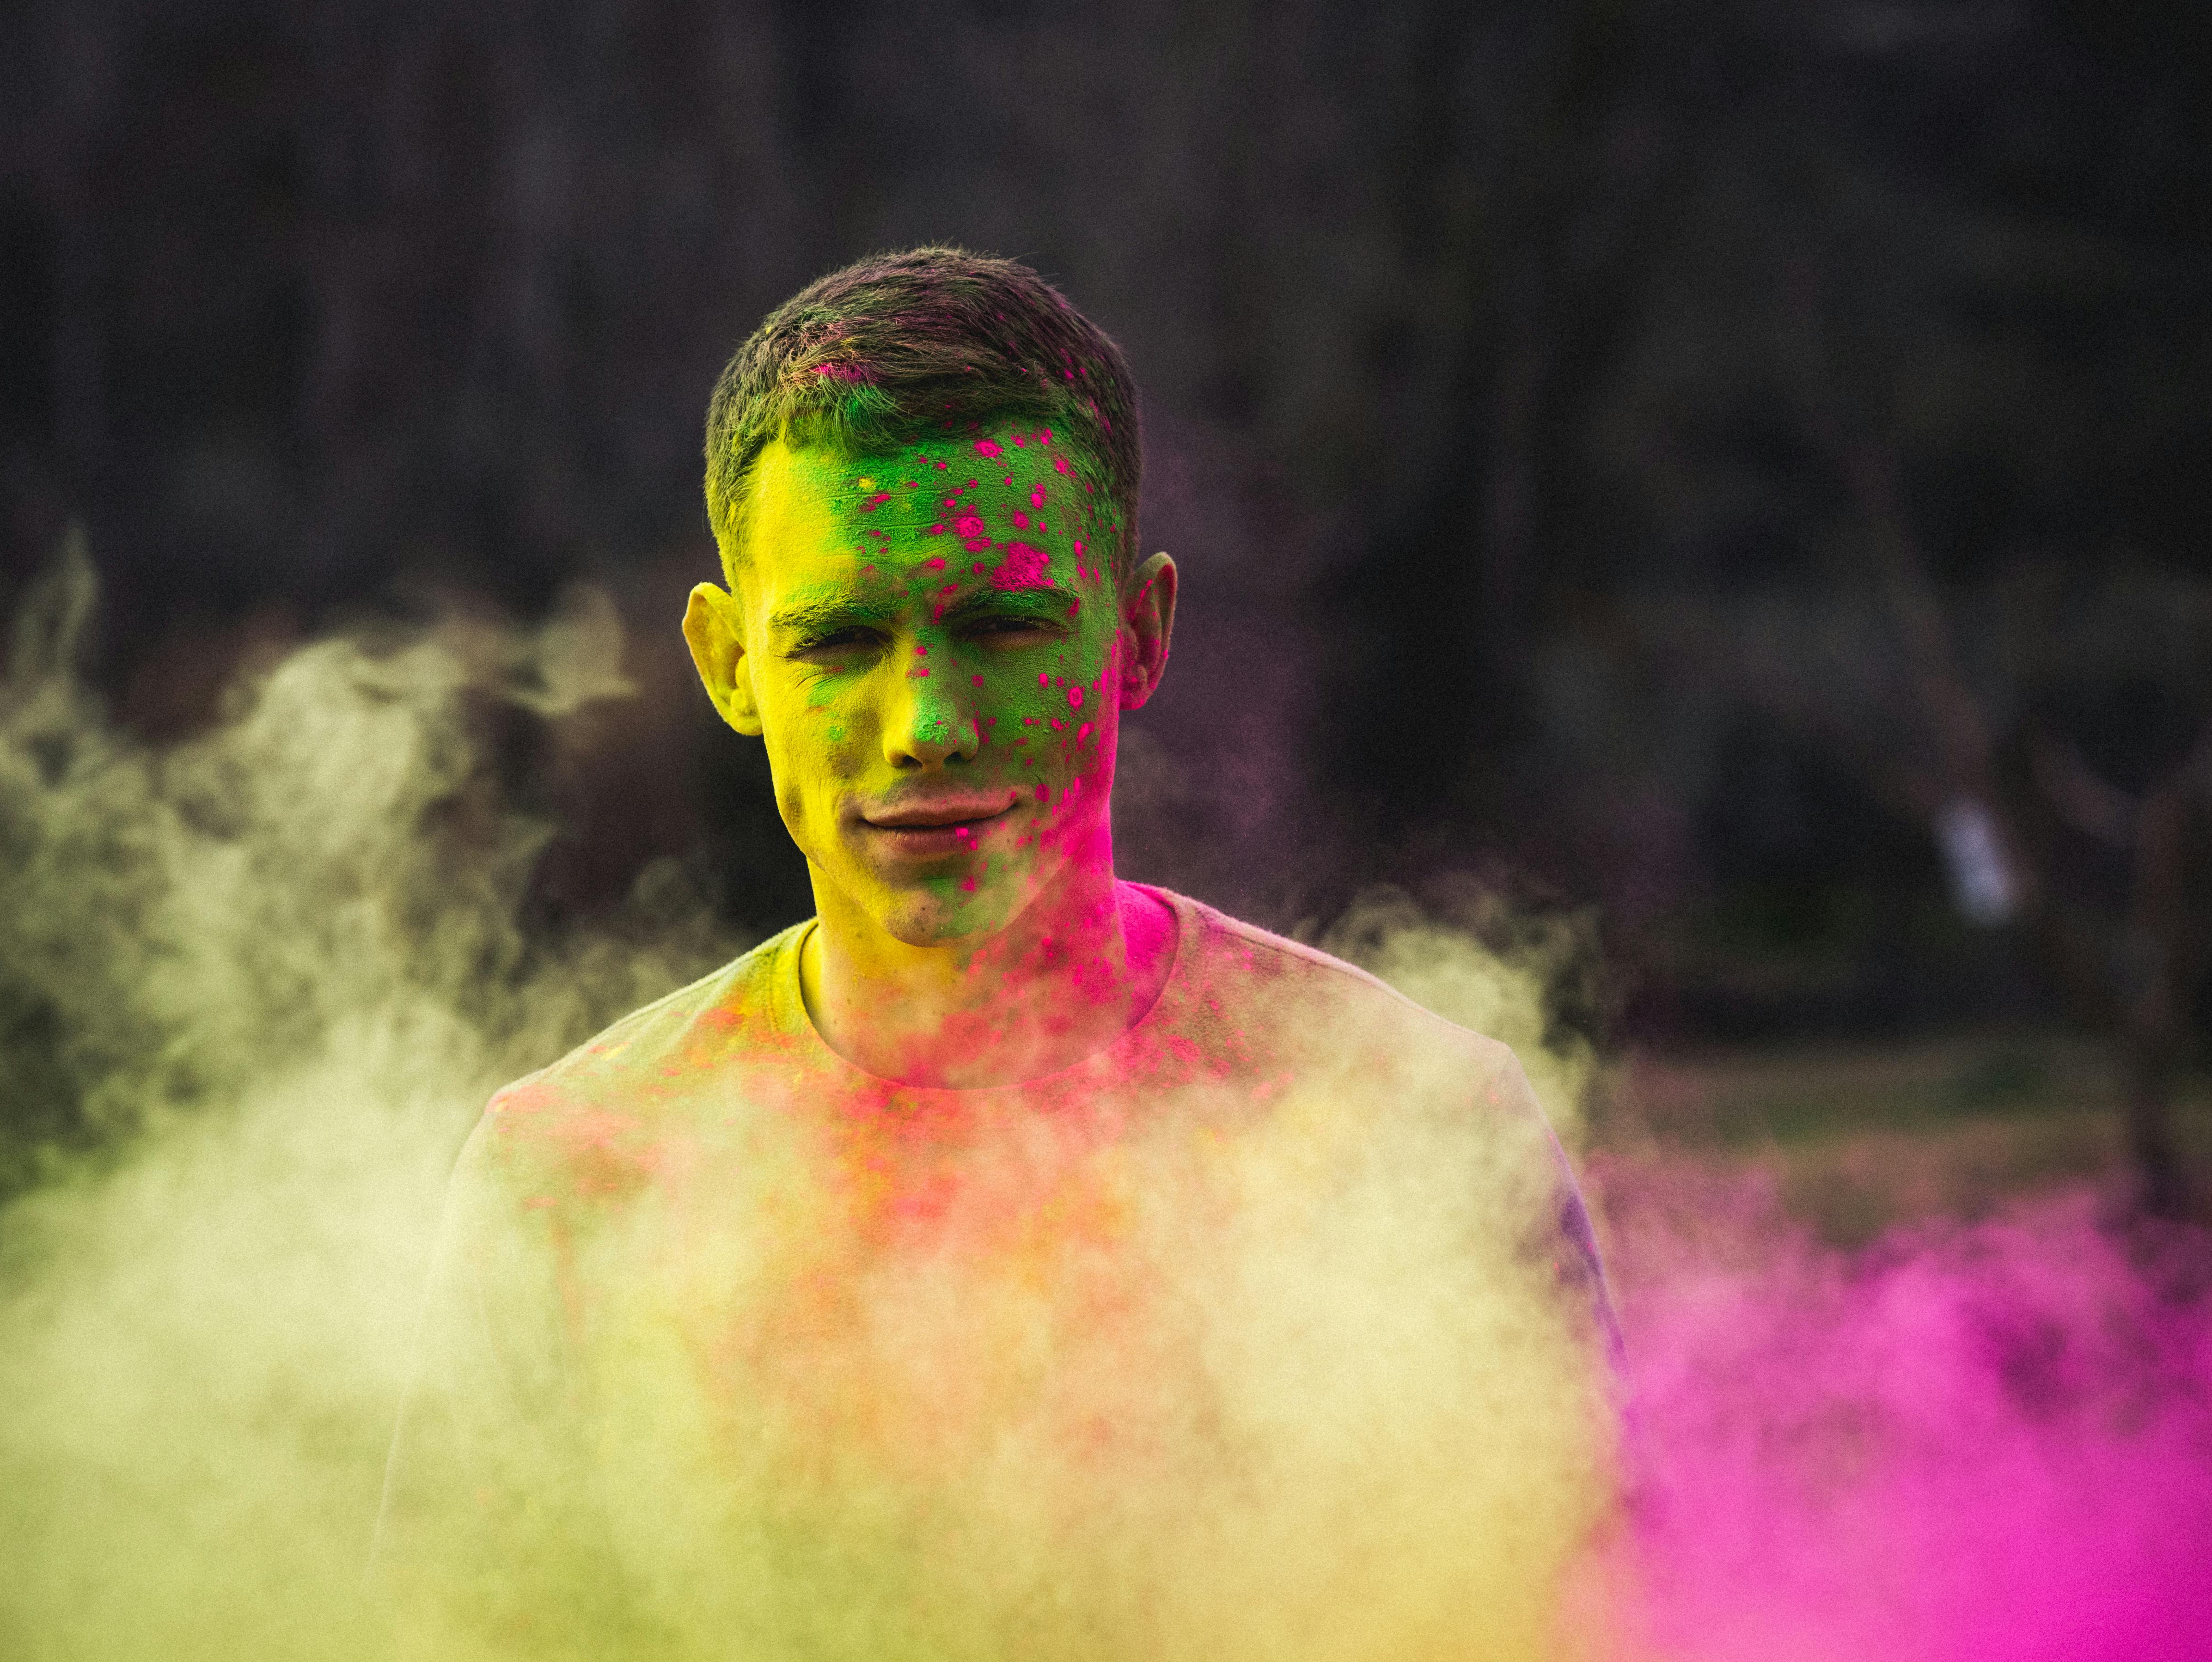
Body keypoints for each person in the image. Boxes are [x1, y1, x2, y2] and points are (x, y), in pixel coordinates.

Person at [374, 247, 1621, 1661]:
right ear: (729, 667)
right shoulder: (578, 1179)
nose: (926, 724)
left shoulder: (1412, 1132)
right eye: (840, 642)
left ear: (1137, 635)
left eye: (1004, 625)